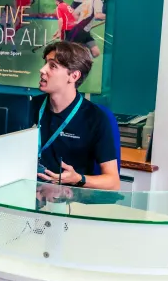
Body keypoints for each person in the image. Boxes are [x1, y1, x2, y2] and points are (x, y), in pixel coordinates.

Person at [34, 41, 120, 190]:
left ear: (73, 76)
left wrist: (78, 179)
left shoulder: (95, 118)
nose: (42, 70)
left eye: (53, 66)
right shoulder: (29, 107)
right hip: (29, 197)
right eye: (45, 63)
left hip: (72, 203)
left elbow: (113, 182)